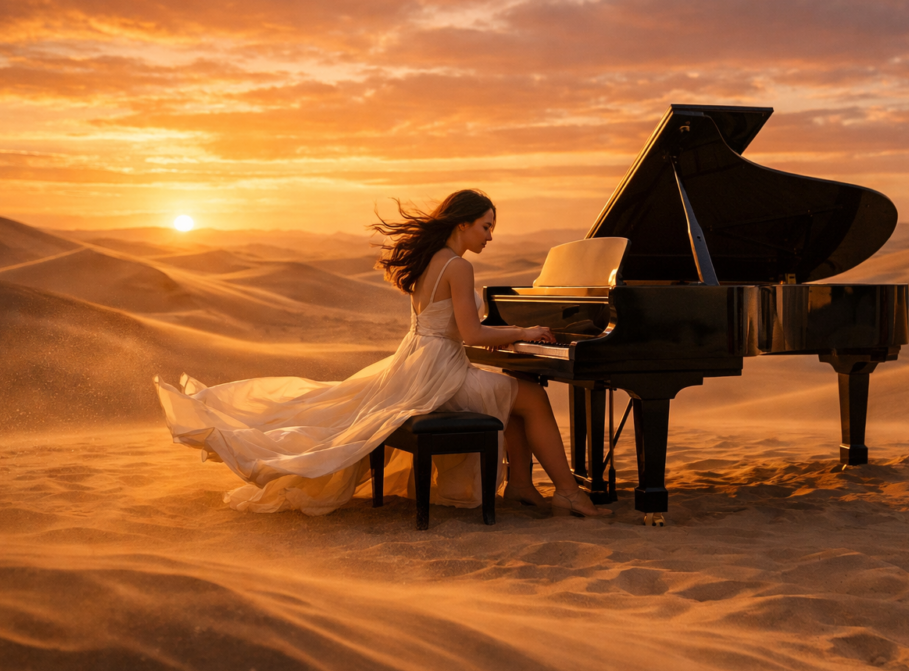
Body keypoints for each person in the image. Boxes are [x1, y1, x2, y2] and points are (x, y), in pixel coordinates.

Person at [154, 189, 611, 518]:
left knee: (516, 396)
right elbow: (471, 335)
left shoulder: (432, 261)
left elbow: (452, 329)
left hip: (418, 365)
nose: (490, 235)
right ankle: (567, 492)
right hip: (440, 374)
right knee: (531, 398)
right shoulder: (459, 266)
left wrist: (512, 333)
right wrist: (526, 331)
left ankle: (522, 484)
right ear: (463, 224)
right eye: (486, 226)